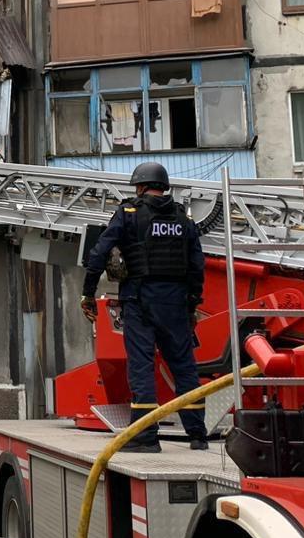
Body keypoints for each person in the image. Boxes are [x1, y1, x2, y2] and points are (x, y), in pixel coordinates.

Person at [80, 161, 208, 453]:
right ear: (164, 186)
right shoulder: (182, 218)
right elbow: (196, 265)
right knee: (184, 367)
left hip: (140, 301)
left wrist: (88, 292)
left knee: (141, 366)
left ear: (140, 186)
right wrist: (191, 305)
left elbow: (99, 253)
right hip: (176, 303)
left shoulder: (129, 213)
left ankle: (146, 437)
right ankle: (198, 435)